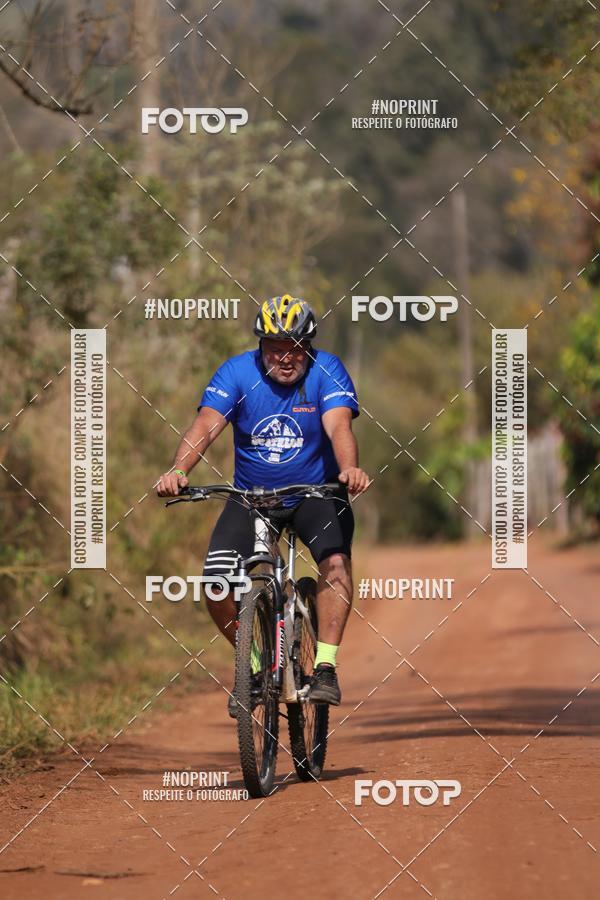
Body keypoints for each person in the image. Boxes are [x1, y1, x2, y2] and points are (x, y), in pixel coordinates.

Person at [156, 294, 369, 715]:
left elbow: (338, 424)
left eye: (294, 348)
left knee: (336, 564)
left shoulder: (327, 371)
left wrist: (349, 469)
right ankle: (251, 667)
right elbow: (207, 425)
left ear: (308, 347)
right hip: (252, 498)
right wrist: (179, 470)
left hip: (317, 493)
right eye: (275, 348)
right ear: (260, 346)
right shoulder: (236, 373)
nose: (285, 358)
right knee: (216, 582)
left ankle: (324, 667)